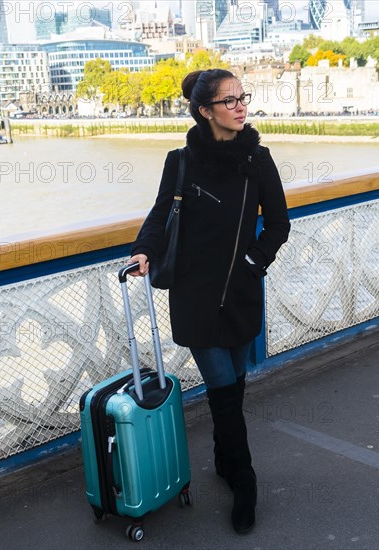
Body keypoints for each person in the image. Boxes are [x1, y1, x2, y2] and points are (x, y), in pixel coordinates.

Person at [128, 69, 290, 534]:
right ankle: (244, 478)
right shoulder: (180, 161)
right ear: (204, 110)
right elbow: (161, 213)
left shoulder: (259, 160)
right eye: (230, 100)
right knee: (222, 390)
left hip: (239, 291)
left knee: (235, 383)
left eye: (244, 98)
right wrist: (144, 249)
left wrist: (253, 263)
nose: (242, 106)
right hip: (195, 296)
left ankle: (223, 458)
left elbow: (278, 223)